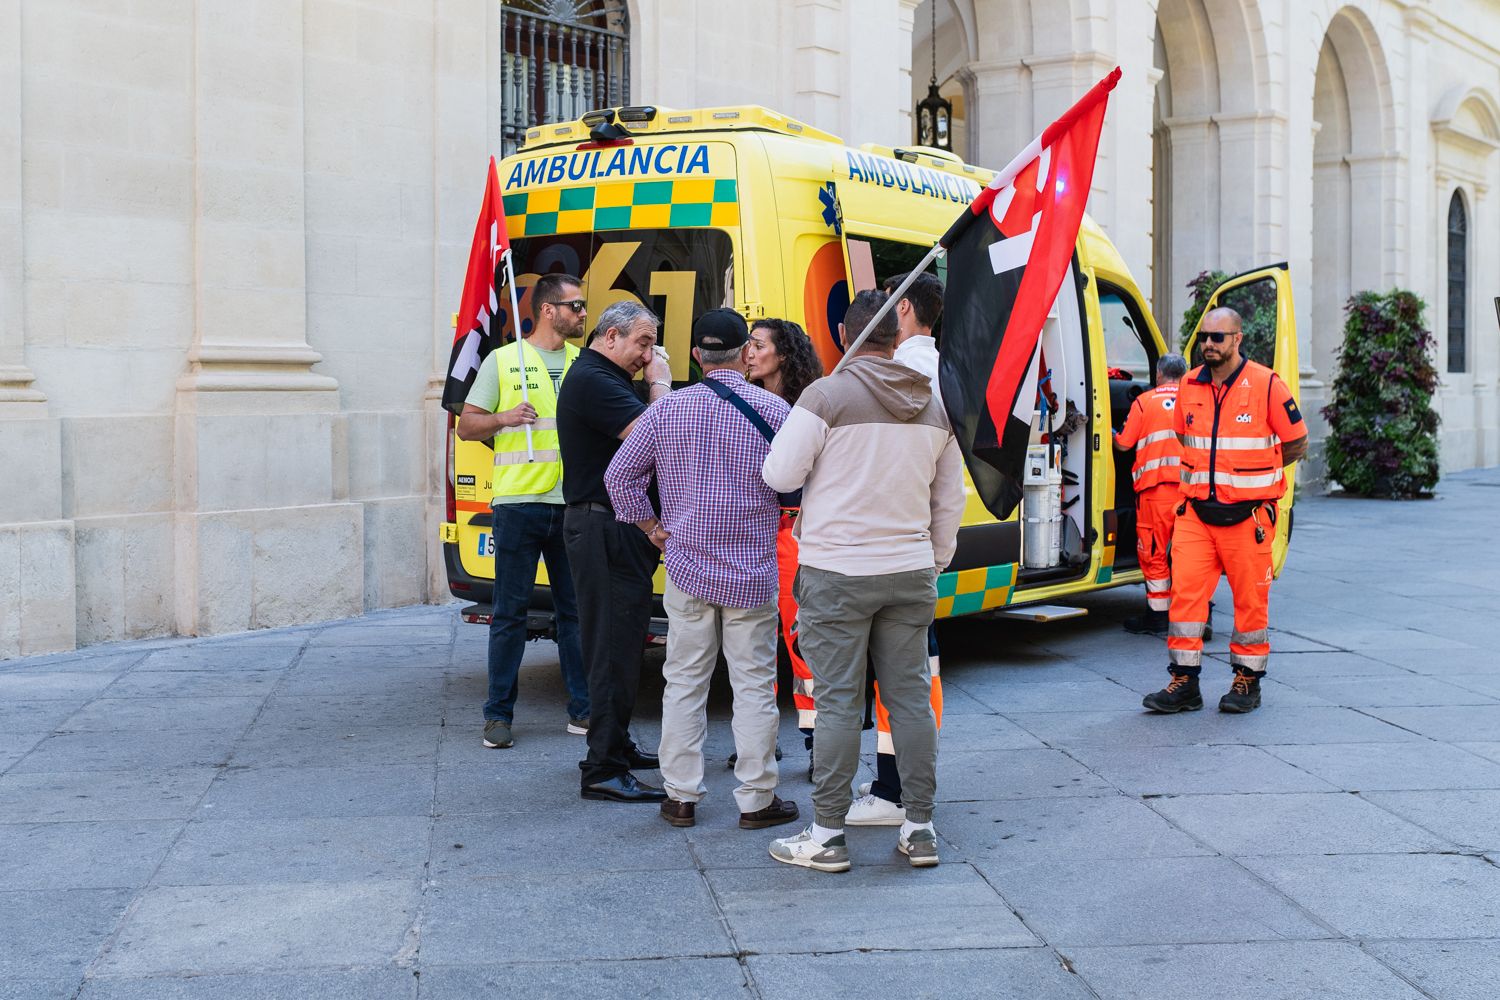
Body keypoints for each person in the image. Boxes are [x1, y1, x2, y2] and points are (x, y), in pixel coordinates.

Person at [762, 289, 966, 872]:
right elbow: (946, 499)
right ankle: (919, 827)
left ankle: (827, 834)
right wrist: (935, 558)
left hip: (838, 573)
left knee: (837, 705)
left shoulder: (825, 395)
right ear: (894, 338)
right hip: (909, 571)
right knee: (909, 704)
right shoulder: (934, 403)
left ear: (846, 337)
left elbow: (780, 473)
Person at [606, 309, 800, 831]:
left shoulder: (668, 410)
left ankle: (680, 797)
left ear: (696, 356)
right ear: (744, 354)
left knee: (684, 682)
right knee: (755, 684)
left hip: (688, 567)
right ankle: (758, 799)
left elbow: (618, 476)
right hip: (751, 571)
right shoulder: (777, 412)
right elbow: (801, 483)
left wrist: (651, 527)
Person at [1144, 307, 1307, 715]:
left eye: (1219, 337)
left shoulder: (1267, 384)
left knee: (1250, 602)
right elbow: (1185, 433)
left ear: (1238, 339)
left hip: (1248, 517)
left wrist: (1259, 474)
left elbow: (1297, 442)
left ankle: (1246, 681)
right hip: (1196, 514)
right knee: (1185, 600)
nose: (1209, 345)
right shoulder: (1188, 385)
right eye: (1204, 337)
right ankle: (1184, 683)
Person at [456, 272, 589, 750]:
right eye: (575, 306)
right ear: (549, 310)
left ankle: (584, 709)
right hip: (518, 505)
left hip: (570, 504)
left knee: (575, 613)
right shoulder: (503, 360)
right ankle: (497, 716)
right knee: (510, 614)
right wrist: (505, 418)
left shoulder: (583, 362)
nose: (582, 314)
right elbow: (466, 427)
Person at [839, 271, 952, 827]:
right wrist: (938, 555)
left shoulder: (905, 371)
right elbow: (946, 487)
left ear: (904, 308)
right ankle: (899, 788)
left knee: (899, 685)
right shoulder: (941, 367)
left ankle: (893, 792)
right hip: (916, 548)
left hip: (885, 546)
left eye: (889, 301)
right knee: (910, 679)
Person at [557, 299, 673, 801]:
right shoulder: (594, 380)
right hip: (602, 528)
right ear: (610, 337)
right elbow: (658, 435)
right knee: (611, 652)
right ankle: (602, 768)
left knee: (621, 646)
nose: (648, 355)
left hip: (612, 529)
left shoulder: (603, 376)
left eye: (651, 346)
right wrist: (661, 382)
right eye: (643, 343)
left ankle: (616, 745)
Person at [746, 318, 824, 778]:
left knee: (802, 643)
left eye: (759, 346)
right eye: (748, 346)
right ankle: (758, 741)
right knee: (751, 641)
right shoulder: (742, 399)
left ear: (784, 355)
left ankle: (817, 742)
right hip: (752, 532)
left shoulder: (808, 406)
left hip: (793, 531)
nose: (749, 353)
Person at [1112, 353, 1189, 638]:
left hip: (1155, 493)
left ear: (1158, 375)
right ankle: (1194, 617)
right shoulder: (1195, 401)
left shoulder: (1144, 402)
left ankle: (1157, 617)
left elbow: (1123, 444)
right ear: (1185, 375)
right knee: (1189, 557)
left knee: (1155, 554)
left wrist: (1108, 432)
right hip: (1190, 494)